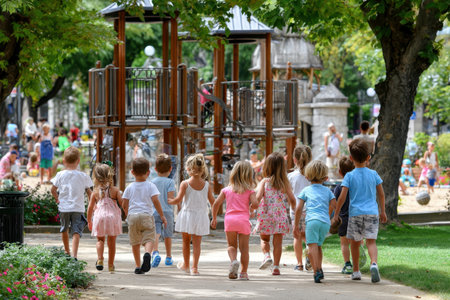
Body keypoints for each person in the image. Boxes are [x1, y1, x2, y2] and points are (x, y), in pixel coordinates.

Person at [333, 138, 387, 283]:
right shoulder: (374, 174)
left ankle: (356, 271)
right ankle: (374, 263)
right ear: (368, 157)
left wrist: (336, 214)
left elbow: (342, 197)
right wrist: (383, 211)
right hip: (372, 213)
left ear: (351, 158)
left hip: (355, 214)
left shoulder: (349, 176)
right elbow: (381, 194)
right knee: (371, 242)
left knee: (355, 243)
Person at [168, 153, 215, 276]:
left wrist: (170, 201)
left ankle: (186, 265)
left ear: (188, 169)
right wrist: (214, 217)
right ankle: (195, 268)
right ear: (202, 169)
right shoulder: (206, 185)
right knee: (197, 244)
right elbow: (213, 202)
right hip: (201, 216)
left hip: (187, 216)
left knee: (185, 242)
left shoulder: (185, 183)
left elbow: (178, 200)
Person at [211, 161, 258, 280]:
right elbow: (256, 204)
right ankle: (244, 273)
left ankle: (233, 261)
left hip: (230, 220)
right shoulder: (250, 191)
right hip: (243, 221)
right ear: (249, 176)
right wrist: (251, 208)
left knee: (231, 245)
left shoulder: (226, 190)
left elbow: (216, 204)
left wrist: (214, 217)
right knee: (244, 249)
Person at [122, 157, 167, 274]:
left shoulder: (129, 187)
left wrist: (127, 214)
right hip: (146, 215)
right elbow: (156, 201)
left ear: (132, 172)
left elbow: (124, 204)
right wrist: (162, 215)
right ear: (148, 172)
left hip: (132, 217)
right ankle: (147, 253)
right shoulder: (151, 186)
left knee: (135, 242)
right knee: (149, 237)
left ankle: (137, 266)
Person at [293, 160, 336, 283]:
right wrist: (333, 215)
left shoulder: (306, 190)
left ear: (307, 177)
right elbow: (334, 204)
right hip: (325, 223)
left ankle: (316, 271)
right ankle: (320, 268)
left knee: (311, 247)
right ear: (326, 177)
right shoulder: (328, 191)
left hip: (312, 221)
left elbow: (299, 208)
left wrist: (296, 225)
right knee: (318, 246)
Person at [254, 152, 296, 276]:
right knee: (278, 243)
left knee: (264, 239)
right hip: (280, 216)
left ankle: (266, 256)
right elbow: (292, 200)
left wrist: (251, 207)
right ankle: (276, 267)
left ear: (267, 166)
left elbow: (257, 198)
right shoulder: (285, 183)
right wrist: (294, 211)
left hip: (266, 215)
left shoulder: (264, 182)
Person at [50, 147, 93, 259]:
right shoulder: (83, 176)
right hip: (78, 208)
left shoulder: (60, 175)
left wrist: (57, 199)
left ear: (64, 161)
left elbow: (53, 189)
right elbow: (90, 192)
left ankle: (66, 251)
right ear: (78, 161)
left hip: (64, 207)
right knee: (76, 231)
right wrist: (91, 204)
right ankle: (74, 255)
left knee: (64, 228)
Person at [87, 163, 123, 272]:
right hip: (112, 218)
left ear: (96, 178)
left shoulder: (95, 192)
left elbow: (90, 208)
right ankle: (111, 265)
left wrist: (89, 221)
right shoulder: (115, 190)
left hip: (99, 217)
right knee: (112, 242)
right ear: (110, 176)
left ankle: (100, 259)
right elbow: (122, 204)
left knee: (100, 240)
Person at [332, 156, 362, 275]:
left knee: (344, 243)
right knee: (356, 242)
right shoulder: (357, 186)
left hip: (343, 218)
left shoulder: (339, 188)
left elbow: (335, 202)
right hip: (356, 216)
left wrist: (335, 214)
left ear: (340, 172)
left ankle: (347, 264)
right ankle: (356, 265)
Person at [287, 145, 312, 272]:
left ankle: (299, 264)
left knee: (297, 236)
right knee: (308, 237)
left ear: (294, 159)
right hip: (311, 210)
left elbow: (288, 194)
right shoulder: (312, 176)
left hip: (296, 209)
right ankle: (310, 255)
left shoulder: (291, 176)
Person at [150, 154, 176, 268]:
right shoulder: (170, 182)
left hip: (154, 211)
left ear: (155, 169)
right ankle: (169, 257)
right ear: (170, 169)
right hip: (168, 212)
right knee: (168, 235)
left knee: (156, 233)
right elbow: (170, 199)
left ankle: (155, 252)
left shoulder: (152, 182)